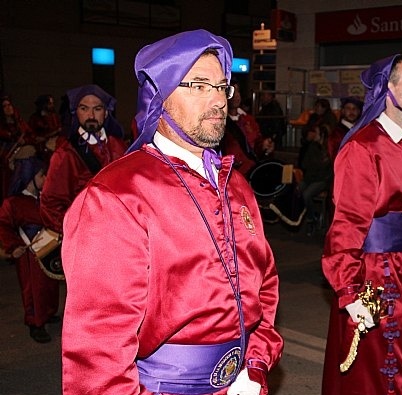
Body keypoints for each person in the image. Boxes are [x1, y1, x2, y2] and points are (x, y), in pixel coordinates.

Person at [60, 29, 283, 395]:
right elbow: (98, 352)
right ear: (159, 97)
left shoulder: (237, 186)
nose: (217, 101)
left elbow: (265, 287)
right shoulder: (117, 195)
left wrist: (255, 364)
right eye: (198, 86)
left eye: (222, 86)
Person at [322, 54, 402, 395]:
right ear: (388, 89)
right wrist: (349, 288)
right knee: (378, 364)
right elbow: (347, 221)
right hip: (374, 272)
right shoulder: (363, 147)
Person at [39, 84, 128, 235]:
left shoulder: (120, 147)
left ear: (106, 113)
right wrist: (80, 232)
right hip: (88, 237)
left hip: (121, 232)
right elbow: (50, 206)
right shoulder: (66, 154)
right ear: (76, 112)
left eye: (97, 109)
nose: (91, 116)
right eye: (84, 109)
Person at [0, 156, 60, 343]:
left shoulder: (45, 198)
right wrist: (13, 246)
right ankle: (35, 322)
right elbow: (2, 225)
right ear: (29, 177)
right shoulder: (13, 203)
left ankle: (48, 312)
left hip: (47, 249)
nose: (46, 179)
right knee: (33, 289)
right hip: (28, 254)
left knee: (50, 285)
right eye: (42, 175)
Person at [221, 80, 274, 177]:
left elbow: (257, 143)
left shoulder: (248, 120)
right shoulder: (219, 122)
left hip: (252, 172)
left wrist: (264, 145)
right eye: (232, 91)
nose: (236, 95)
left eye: (238, 91)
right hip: (231, 176)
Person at [298, 123, 332, 236]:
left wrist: (318, 164)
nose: (313, 134)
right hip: (311, 177)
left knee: (307, 194)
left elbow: (327, 167)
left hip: (322, 179)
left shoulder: (328, 148)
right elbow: (305, 163)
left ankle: (311, 219)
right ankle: (309, 214)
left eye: (316, 132)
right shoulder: (312, 146)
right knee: (298, 190)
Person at [1, 95, 31, 198]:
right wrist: (12, 137)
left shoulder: (18, 121)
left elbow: (30, 134)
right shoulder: (2, 124)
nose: (8, 108)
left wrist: (25, 140)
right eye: (5, 106)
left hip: (19, 154)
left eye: (9, 105)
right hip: (6, 156)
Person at [327, 96, 363, 162]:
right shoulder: (337, 133)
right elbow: (334, 156)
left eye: (355, 108)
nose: (352, 111)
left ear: (359, 111)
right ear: (343, 111)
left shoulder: (363, 130)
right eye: (348, 108)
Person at [27, 94, 62, 161]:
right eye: (49, 103)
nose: (52, 105)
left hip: (55, 143)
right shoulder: (35, 118)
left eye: (52, 103)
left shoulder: (54, 116)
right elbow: (31, 134)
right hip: (41, 147)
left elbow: (58, 128)